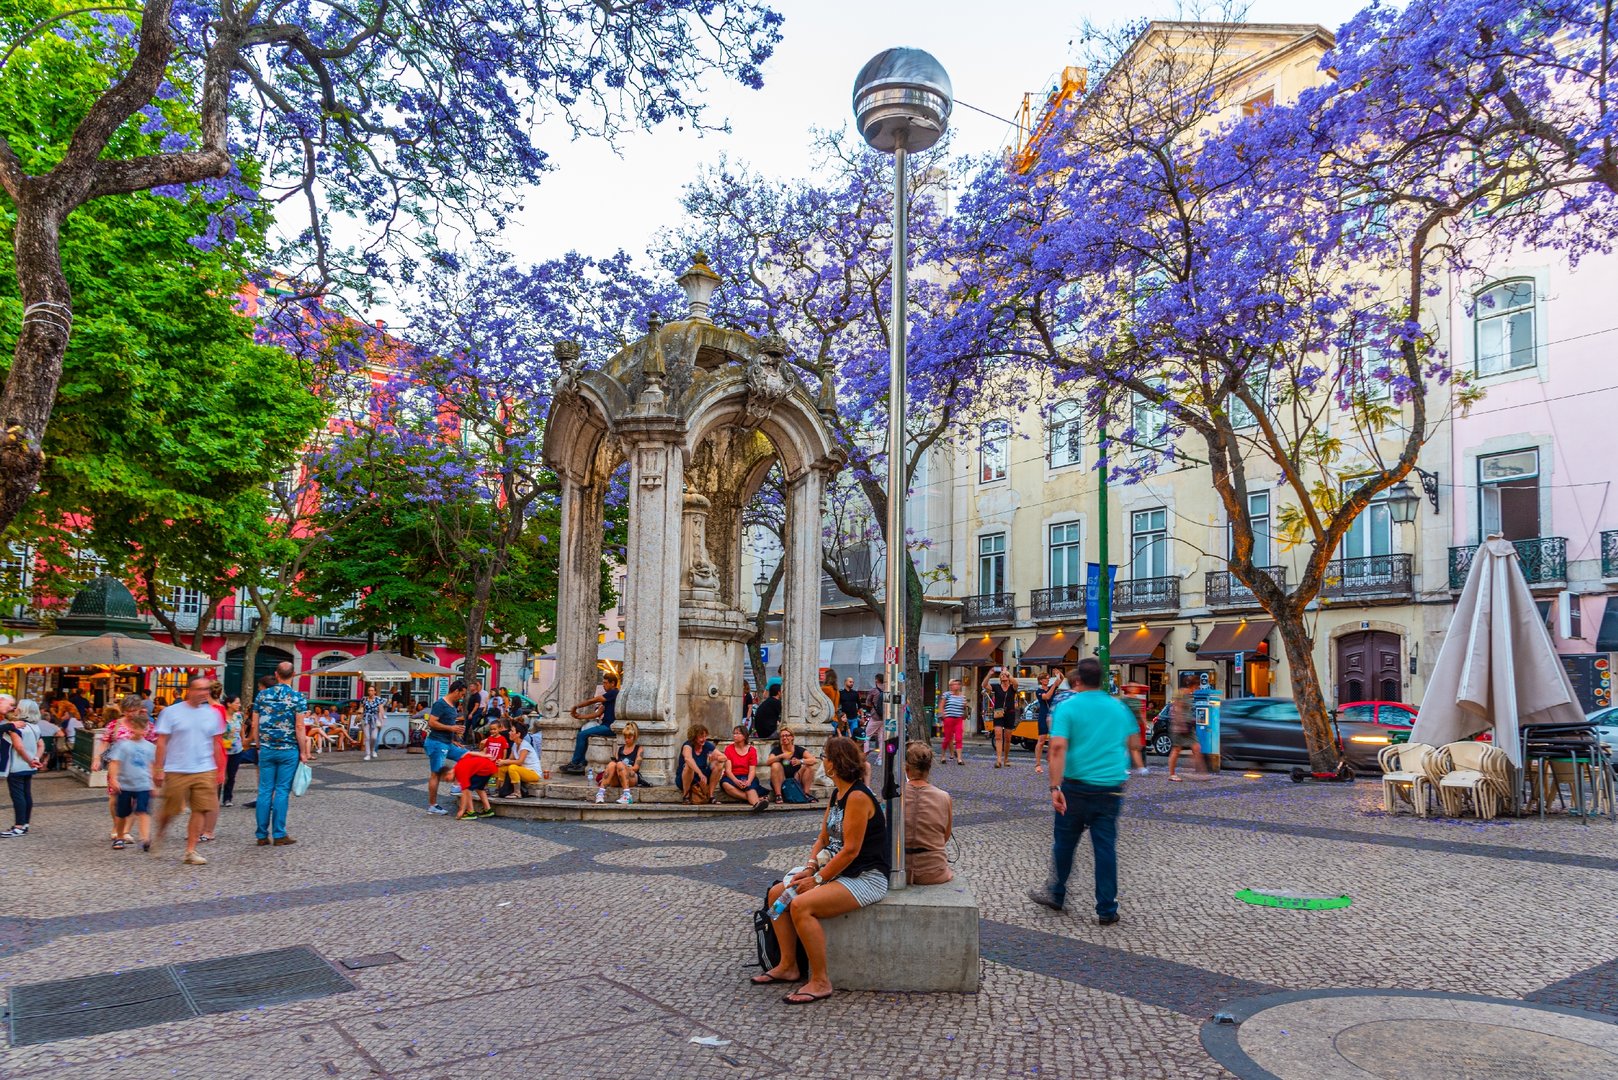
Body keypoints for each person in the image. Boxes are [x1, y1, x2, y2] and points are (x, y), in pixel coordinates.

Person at [750, 735, 889, 1003]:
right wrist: (810, 867)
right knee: (777, 894)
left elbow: (851, 849)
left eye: (826, 757)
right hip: (834, 870)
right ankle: (789, 965)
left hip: (864, 876)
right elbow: (823, 837)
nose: (823, 761)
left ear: (836, 764)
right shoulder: (838, 793)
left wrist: (817, 879)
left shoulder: (858, 796)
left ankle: (820, 980)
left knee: (802, 905)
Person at [1028, 659, 1137, 924]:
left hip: (1075, 786)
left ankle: (1056, 892)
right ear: (1101, 680)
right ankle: (1107, 909)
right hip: (1110, 787)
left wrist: (1055, 787)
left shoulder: (1068, 707)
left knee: (1065, 842)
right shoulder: (1119, 707)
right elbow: (1134, 742)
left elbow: (1056, 748)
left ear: (1077, 681)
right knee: (1105, 848)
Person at [153, 675, 227, 865]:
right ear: (190, 690)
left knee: (200, 808)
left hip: (204, 768)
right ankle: (160, 833)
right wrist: (159, 768)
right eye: (200, 689)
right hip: (177, 768)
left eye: (207, 689)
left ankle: (190, 850)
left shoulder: (213, 714)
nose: (204, 693)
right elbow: (162, 742)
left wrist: (219, 769)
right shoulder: (171, 712)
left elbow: (216, 743)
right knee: (171, 810)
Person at [246, 662, 311, 846]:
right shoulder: (297, 697)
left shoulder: (262, 695)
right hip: (288, 749)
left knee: (264, 790)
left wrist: (258, 743)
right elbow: (299, 726)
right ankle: (279, 834)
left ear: (276, 674)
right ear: (294, 674)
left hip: (267, 748)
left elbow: (254, 724)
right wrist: (303, 752)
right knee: (282, 790)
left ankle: (261, 835)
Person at [902, 741, 953, 885]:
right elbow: (945, 836)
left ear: (906, 769)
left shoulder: (895, 798)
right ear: (929, 768)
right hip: (934, 871)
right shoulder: (943, 797)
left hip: (899, 869)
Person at [106, 712, 156, 851]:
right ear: (132, 727)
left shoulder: (150, 747)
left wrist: (153, 782)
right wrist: (114, 779)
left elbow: (151, 765)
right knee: (122, 813)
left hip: (143, 784)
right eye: (139, 728)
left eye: (144, 728)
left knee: (143, 811)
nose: (142, 731)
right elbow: (114, 763)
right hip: (125, 784)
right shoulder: (123, 745)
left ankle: (145, 838)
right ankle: (120, 836)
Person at [423, 680, 469, 814]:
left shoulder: (453, 705)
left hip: (447, 742)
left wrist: (454, 738)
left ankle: (456, 785)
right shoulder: (440, 704)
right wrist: (451, 728)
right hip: (437, 743)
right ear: (456, 691)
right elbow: (432, 722)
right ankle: (432, 805)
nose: (462, 697)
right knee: (436, 774)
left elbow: (448, 724)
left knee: (467, 756)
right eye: (462, 694)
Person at [1, 696, 43, 837]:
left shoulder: (17, 727)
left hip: (16, 766)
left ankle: (18, 826)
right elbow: (41, 744)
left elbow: (18, 747)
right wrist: (35, 758)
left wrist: (29, 760)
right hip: (29, 767)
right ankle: (25, 824)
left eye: (16, 706)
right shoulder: (35, 727)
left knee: (18, 796)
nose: (14, 708)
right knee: (26, 794)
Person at [561, 672, 618, 775]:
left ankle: (575, 763)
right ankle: (581, 762)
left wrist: (577, 706)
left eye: (605, 683)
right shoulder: (608, 698)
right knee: (583, 733)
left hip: (609, 727)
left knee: (582, 734)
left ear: (612, 683)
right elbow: (597, 713)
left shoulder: (613, 693)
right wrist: (580, 716)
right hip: (604, 726)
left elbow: (594, 700)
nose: (603, 686)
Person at [717, 725, 770, 811]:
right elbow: (728, 770)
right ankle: (757, 800)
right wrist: (736, 781)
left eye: (738, 733)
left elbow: (752, 770)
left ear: (744, 736)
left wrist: (748, 781)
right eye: (734, 733)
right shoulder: (729, 749)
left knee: (750, 787)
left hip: (747, 775)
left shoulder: (752, 750)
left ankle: (756, 804)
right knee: (726, 785)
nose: (735, 736)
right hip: (732, 776)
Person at [765, 726, 818, 803]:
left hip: (796, 779)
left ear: (792, 737)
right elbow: (768, 762)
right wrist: (781, 756)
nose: (784, 738)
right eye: (782, 736)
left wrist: (800, 761)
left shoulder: (798, 749)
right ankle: (778, 795)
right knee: (775, 765)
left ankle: (806, 794)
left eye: (787, 735)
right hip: (781, 780)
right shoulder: (777, 750)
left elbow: (814, 760)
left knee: (809, 767)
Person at [596, 721, 644, 805]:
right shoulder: (620, 749)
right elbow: (614, 764)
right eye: (625, 737)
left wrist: (624, 767)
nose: (626, 740)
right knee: (612, 764)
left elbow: (636, 767)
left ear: (635, 736)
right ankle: (600, 794)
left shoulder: (639, 749)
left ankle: (627, 795)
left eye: (629, 737)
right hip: (618, 776)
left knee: (619, 764)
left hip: (631, 777)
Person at [1166, 686, 1207, 781]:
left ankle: (1201, 773)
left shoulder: (1189, 696)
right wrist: (1181, 724)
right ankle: (1172, 774)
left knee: (1196, 747)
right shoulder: (1181, 694)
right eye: (1195, 686)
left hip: (1188, 726)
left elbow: (1187, 711)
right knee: (1176, 749)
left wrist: (1191, 720)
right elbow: (1178, 710)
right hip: (1179, 727)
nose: (1195, 688)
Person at [495, 718, 542, 797]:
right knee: (502, 768)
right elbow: (510, 759)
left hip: (533, 773)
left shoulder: (525, 745)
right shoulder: (515, 744)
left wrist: (505, 761)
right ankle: (500, 790)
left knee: (512, 767)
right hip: (522, 770)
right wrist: (501, 761)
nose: (509, 733)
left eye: (512, 731)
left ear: (518, 734)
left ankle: (517, 793)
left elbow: (519, 762)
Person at [451, 747, 498, 819]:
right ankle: (488, 809)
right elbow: (469, 753)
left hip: (484, 769)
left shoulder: (460, 770)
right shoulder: (462, 758)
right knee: (479, 788)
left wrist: (461, 810)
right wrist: (484, 755)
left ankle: (471, 812)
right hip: (489, 767)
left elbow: (465, 792)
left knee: (468, 790)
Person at [679, 723, 718, 805]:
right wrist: (700, 773)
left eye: (705, 736)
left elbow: (724, 757)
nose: (704, 739)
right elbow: (688, 759)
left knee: (719, 765)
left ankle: (711, 796)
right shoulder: (687, 745)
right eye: (701, 737)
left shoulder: (706, 745)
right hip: (686, 777)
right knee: (688, 766)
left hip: (702, 777)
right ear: (694, 737)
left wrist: (715, 758)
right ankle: (686, 796)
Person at [219, 695, 246, 807]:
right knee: (220, 775)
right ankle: (215, 797)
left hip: (236, 750)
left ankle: (227, 798)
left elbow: (242, 730)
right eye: (236, 703)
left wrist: (244, 741)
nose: (239, 705)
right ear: (229, 704)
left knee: (231, 775)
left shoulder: (239, 716)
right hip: (222, 750)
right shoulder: (220, 716)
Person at [988, 669, 1017, 768]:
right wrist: (989, 675)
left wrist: (1009, 674)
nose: (1003, 676)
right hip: (998, 713)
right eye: (1002, 675)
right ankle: (999, 760)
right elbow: (984, 685)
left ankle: (1006, 758)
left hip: (1010, 713)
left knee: (1008, 738)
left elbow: (1016, 683)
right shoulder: (996, 687)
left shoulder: (1012, 687)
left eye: (1005, 675)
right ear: (999, 678)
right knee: (998, 735)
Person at [938, 678, 969, 766]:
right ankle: (943, 755)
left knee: (959, 738)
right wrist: (942, 714)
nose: (955, 686)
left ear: (959, 686)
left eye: (957, 684)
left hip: (959, 719)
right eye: (953, 684)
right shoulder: (947, 694)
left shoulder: (962, 697)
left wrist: (965, 706)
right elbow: (941, 705)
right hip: (949, 718)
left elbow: (964, 708)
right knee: (947, 738)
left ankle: (959, 758)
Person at [1034, 672, 1059, 774]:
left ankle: (1052, 762)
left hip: (1053, 716)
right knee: (1041, 740)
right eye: (1046, 679)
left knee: (1054, 740)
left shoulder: (1051, 688)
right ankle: (1038, 764)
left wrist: (1058, 674)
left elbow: (1059, 680)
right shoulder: (1039, 691)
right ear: (1041, 680)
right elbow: (1047, 697)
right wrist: (1054, 686)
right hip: (1043, 716)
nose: (1048, 680)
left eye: (1049, 678)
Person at [360, 685, 384, 761]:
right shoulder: (364, 699)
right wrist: (358, 716)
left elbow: (381, 710)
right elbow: (361, 708)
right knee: (367, 737)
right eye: (369, 690)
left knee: (374, 737)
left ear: (375, 691)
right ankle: (368, 754)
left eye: (372, 690)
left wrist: (382, 720)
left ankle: (373, 750)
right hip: (366, 718)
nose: (370, 692)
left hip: (375, 718)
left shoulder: (378, 699)